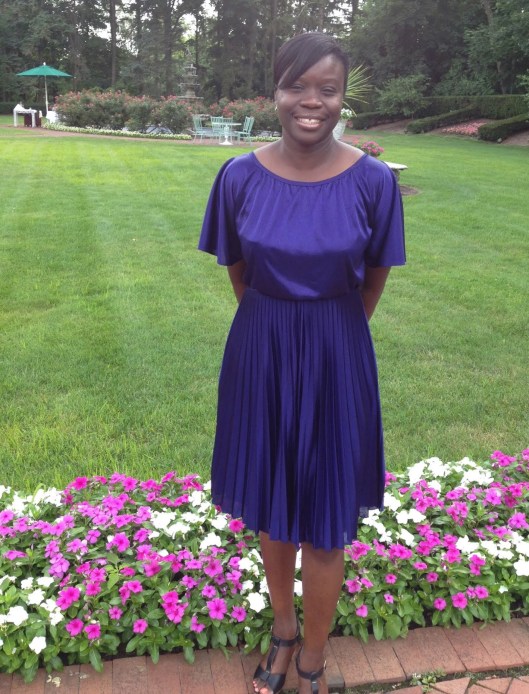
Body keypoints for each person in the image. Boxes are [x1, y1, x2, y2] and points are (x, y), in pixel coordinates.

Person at [198, 32, 405, 694]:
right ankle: (283, 631)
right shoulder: (238, 176)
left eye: (327, 89)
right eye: (297, 86)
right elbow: (239, 270)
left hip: (338, 353)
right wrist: (278, 325)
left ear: (342, 99)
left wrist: (325, 333)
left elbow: (373, 278)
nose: (311, 102)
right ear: (275, 92)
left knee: (324, 518)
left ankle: (313, 654)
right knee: (272, 502)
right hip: (260, 348)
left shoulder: (373, 182)